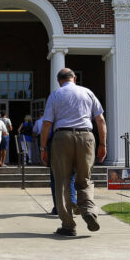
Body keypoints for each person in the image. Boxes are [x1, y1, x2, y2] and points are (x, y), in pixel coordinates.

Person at [40, 68, 107, 237]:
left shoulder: (55, 95)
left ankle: (68, 225)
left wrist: (42, 148)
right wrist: (103, 144)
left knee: (62, 181)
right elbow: (100, 120)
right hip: (86, 136)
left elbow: (47, 123)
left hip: (62, 136)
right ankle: (89, 211)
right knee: (84, 179)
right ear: (74, 78)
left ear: (59, 81)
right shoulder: (87, 92)